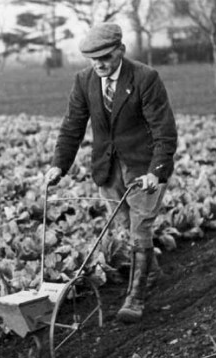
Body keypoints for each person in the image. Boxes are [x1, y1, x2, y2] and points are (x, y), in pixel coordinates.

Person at [45, 22, 178, 323]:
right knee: (123, 225)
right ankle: (152, 273)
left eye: (105, 57)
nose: (99, 64)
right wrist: (58, 165)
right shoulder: (84, 81)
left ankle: (136, 297)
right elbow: (72, 126)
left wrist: (157, 171)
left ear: (121, 50)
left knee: (140, 228)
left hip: (143, 167)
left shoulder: (145, 78)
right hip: (108, 169)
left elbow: (164, 130)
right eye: (93, 59)